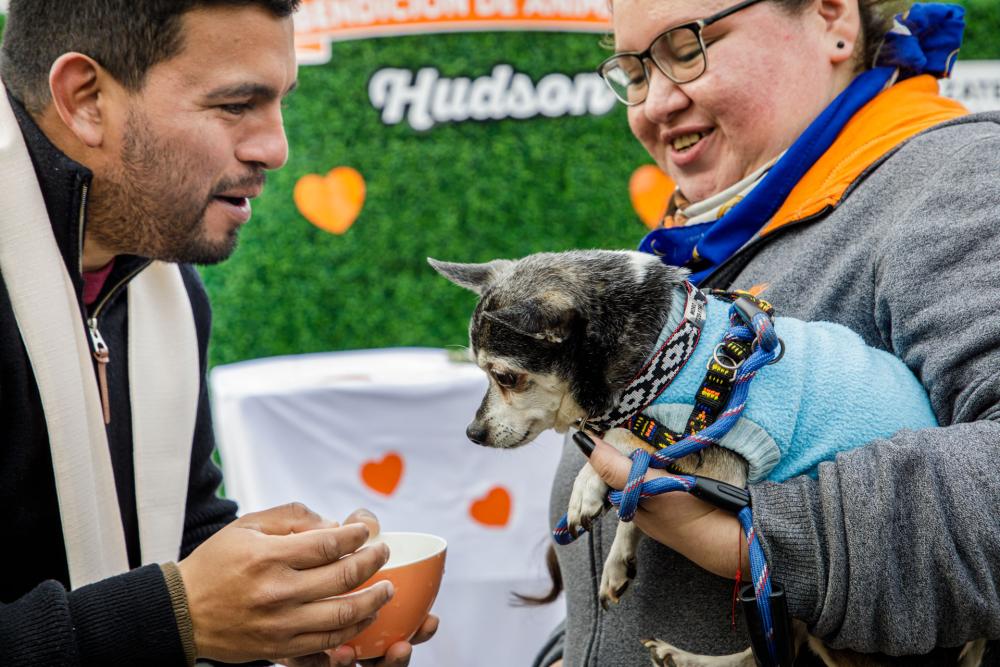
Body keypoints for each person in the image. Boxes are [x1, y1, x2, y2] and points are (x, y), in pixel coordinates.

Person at [534, 0, 1000, 665]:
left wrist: (753, 537)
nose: (655, 103)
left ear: (833, 20)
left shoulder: (958, 180)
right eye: (634, 71)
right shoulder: (717, 232)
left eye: (689, 47)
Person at [0, 1, 436, 665]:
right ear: (85, 98)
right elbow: (168, 603)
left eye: (281, 101)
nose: (276, 147)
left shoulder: (167, 282)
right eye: (237, 104)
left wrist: (285, 610)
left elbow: (177, 530)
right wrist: (175, 616)